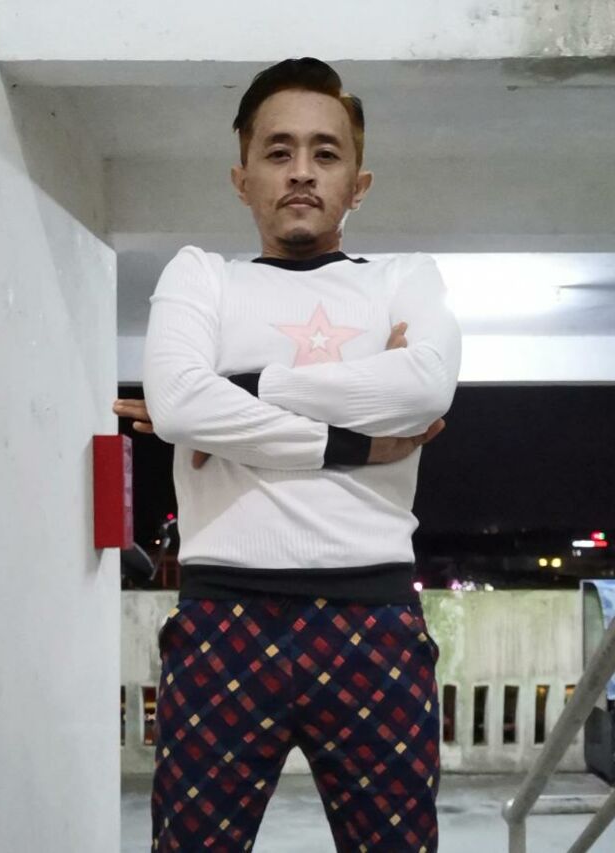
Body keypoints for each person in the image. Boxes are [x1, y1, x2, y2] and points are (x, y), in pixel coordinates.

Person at [114, 56, 461, 853]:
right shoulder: (201, 277)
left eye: (324, 152)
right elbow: (178, 403)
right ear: (242, 179)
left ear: (358, 184)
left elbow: (424, 388)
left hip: (374, 615)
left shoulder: (404, 278)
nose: (302, 170)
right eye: (278, 151)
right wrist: (352, 442)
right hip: (223, 614)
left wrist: (240, 388)